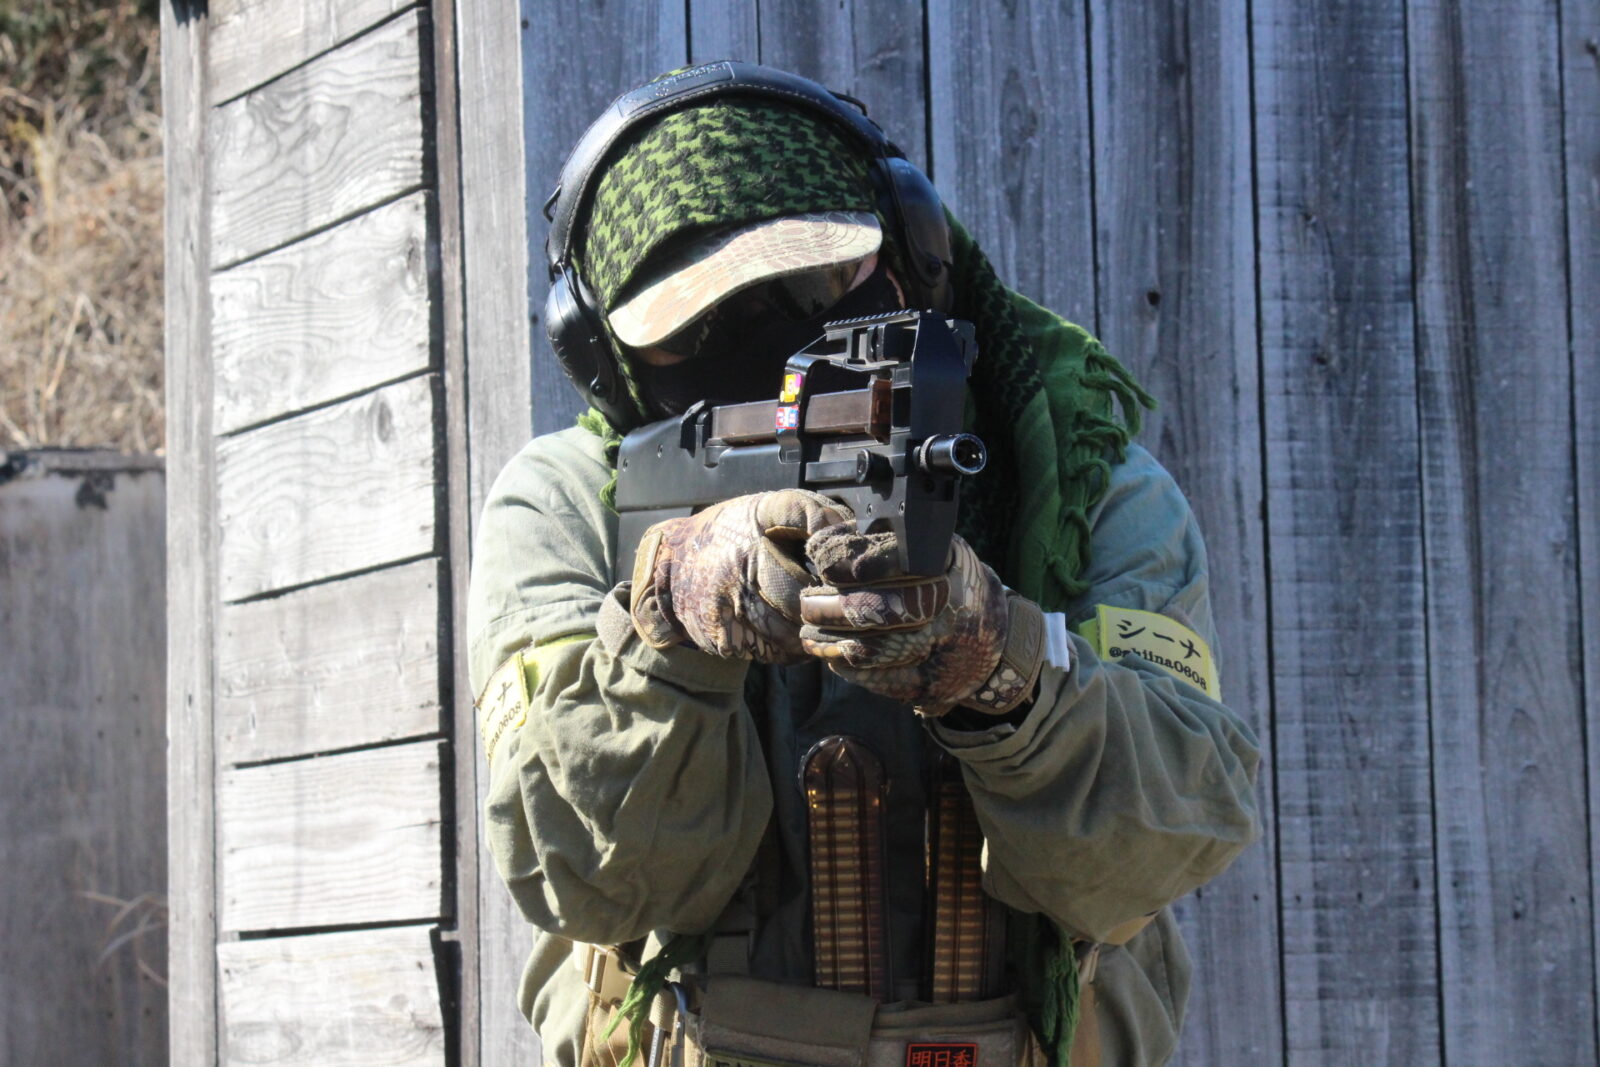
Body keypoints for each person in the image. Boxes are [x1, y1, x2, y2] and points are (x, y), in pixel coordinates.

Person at [468, 62, 1261, 1067]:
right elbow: (586, 879)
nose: (780, 354)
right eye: (697, 329)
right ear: (604, 355)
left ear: (909, 253)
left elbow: (1161, 845)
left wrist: (1005, 668)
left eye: (810, 286)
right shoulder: (571, 502)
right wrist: (666, 622)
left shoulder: (1075, 485)